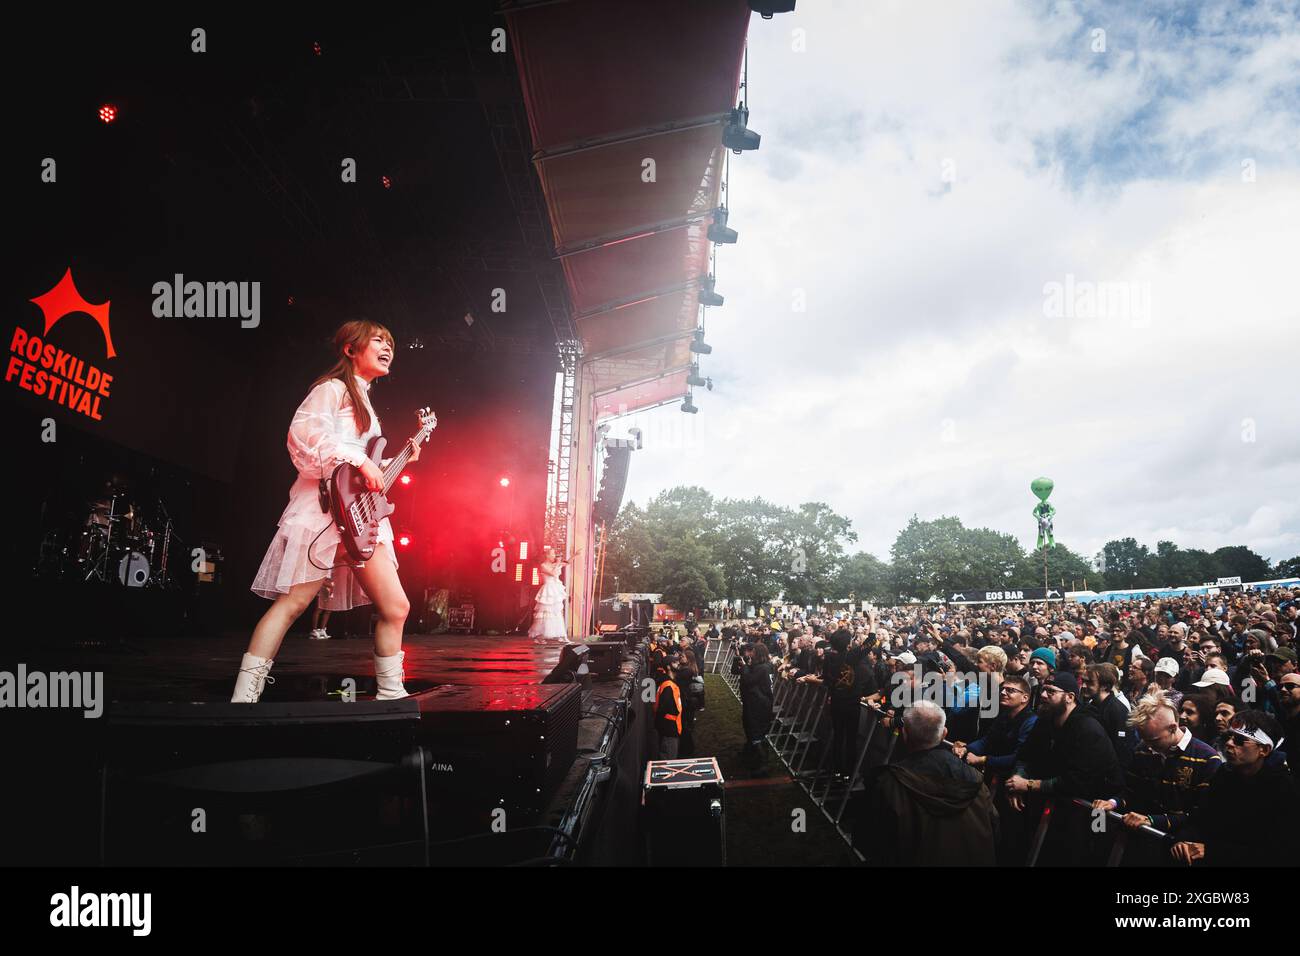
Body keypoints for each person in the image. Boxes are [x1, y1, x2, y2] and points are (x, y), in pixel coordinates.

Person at [235, 320, 429, 702]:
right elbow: (307, 438)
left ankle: (392, 695)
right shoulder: (333, 388)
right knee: (292, 604)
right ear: (350, 349)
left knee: (396, 605)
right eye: (378, 340)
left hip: (360, 515)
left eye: (390, 342)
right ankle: (244, 696)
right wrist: (361, 461)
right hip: (325, 509)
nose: (388, 347)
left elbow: (366, 470)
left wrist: (401, 459)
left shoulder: (366, 403)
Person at [857, 701, 998, 866]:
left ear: (904, 734)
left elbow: (868, 841)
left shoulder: (887, 783)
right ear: (944, 734)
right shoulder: (976, 781)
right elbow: (994, 830)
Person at [1170, 711, 1300, 866]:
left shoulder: (1285, 789)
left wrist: (1213, 851)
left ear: (1264, 750)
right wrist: (1182, 841)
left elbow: (1279, 852)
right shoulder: (1224, 774)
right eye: (1227, 737)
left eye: (1239, 740)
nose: (1229, 743)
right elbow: (1201, 818)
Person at [1093, 692, 1222, 840]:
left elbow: (1201, 815)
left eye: (1154, 741)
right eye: (1145, 740)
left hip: (1180, 844)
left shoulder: (1207, 759)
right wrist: (1113, 802)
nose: (1149, 747)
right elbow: (1132, 791)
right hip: (1143, 839)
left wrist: (1152, 820)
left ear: (1173, 728)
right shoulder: (1143, 750)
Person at [739, 642, 775, 769]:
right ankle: (752, 755)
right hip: (762, 702)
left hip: (758, 704)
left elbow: (748, 680)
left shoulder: (762, 668)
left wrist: (744, 667)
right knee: (754, 730)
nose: (751, 653)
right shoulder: (768, 665)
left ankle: (763, 764)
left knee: (755, 731)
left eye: (753, 651)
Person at [529, 546, 569, 643]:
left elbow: (566, 563)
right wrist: (558, 563)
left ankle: (561, 635)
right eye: (553, 554)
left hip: (554, 589)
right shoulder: (543, 565)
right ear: (547, 555)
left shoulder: (554, 564)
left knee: (556, 612)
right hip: (548, 590)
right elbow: (553, 573)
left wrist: (574, 555)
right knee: (544, 613)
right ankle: (540, 636)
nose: (554, 556)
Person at [653, 655, 683, 759]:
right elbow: (663, 709)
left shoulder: (669, 683)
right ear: (669, 667)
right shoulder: (668, 686)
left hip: (670, 727)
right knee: (668, 759)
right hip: (669, 729)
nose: (678, 664)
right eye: (675, 662)